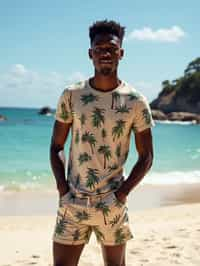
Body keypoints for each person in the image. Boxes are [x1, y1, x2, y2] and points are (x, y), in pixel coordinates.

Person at [50, 19, 154, 266]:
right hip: (72, 202)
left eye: (111, 48)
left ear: (121, 53)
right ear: (90, 54)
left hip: (113, 203)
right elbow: (56, 147)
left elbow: (147, 156)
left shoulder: (136, 102)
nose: (105, 53)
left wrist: (122, 194)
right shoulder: (72, 95)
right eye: (99, 49)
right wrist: (62, 189)